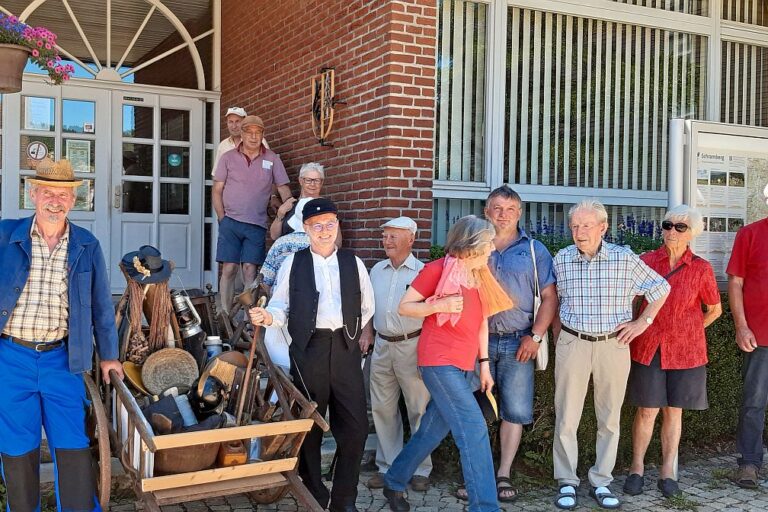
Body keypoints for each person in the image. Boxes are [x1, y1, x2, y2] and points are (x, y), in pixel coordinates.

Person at [0, 158, 123, 512]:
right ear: (33, 194)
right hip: (12, 357)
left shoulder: (86, 244)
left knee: (72, 445)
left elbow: (101, 305)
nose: (55, 201)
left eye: (63, 195)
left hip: (63, 358)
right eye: (48, 193)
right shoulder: (7, 236)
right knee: (17, 449)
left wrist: (110, 356)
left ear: (73, 200)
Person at [249, 198, 374, 512]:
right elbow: (280, 305)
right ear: (306, 229)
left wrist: (355, 332)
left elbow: (367, 305)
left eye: (330, 224)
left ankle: (345, 500)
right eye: (317, 226)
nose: (325, 231)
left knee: (356, 427)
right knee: (309, 427)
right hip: (309, 350)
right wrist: (268, 318)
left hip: (345, 351)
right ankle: (315, 494)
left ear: (337, 226)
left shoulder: (352, 262)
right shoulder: (294, 263)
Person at [381, 215, 514, 512]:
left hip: (465, 365)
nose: (492, 248)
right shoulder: (437, 270)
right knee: (473, 429)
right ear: (472, 244)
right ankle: (485, 507)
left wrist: (484, 364)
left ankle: (394, 481)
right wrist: (438, 305)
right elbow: (405, 307)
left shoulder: (480, 274)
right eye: (488, 243)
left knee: (431, 430)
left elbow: (481, 322)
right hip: (438, 361)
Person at [552, 199, 670, 510]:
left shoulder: (624, 259)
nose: (579, 232)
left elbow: (661, 288)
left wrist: (642, 322)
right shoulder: (561, 259)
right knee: (566, 417)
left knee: (609, 419)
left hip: (612, 345)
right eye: (575, 226)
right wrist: (558, 337)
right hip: (572, 342)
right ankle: (567, 481)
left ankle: (601, 481)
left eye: (587, 225)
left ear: (603, 228)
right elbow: (553, 302)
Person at [456, 186, 557, 502]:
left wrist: (536, 336)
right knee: (473, 411)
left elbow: (550, 298)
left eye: (510, 208)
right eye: (497, 208)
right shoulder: (472, 246)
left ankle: (503, 475)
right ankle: (476, 474)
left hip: (519, 343)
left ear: (520, 213)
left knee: (514, 411)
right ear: (486, 211)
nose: (503, 214)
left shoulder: (534, 251)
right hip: (475, 344)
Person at [623, 205, 721, 498]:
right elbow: (630, 300)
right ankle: (636, 469)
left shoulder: (701, 268)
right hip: (649, 346)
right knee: (646, 410)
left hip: (685, 351)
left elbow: (714, 309)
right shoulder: (646, 261)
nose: (672, 232)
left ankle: (668, 472)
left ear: (692, 233)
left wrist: (691, 331)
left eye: (680, 227)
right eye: (668, 225)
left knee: (674, 411)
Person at [366, 217, 432, 492]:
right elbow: (367, 306)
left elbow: (432, 316)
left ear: (411, 239)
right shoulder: (376, 271)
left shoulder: (424, 272)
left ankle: (420, 468)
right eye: (385, 236)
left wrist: (426, 353)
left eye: (394, 236)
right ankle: (387, 466)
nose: (387, 241)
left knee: (418, 409)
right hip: (381, 345)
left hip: (412, 346)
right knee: (383, 408)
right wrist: (367, 332)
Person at [213, 114, 291, 313]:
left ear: (262, 135)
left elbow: (283, 188)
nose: (254, 137)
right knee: (228, 269)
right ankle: (225, 314)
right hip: (230, 221)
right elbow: (217, 190)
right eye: (249, 132)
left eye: (258, 133)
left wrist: (290, 214)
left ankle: (250, 319)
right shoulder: (228, 157)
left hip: (256, 224)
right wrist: (222, 218)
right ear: (242, 133)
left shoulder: (272, 158)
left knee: (250, 270)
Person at [727, 184, 768, 489]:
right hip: (760, 336)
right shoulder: (750, 234)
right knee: (754, 403)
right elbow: (736, 282)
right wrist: (741, 326)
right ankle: (749, 463)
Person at [270, 162, 325, 240]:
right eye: (308, 180)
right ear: (301, 181)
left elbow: (337, 243)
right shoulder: (290, 204)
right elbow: (274, 236)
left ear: (321, 183)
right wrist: (281, 213)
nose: (312, 184)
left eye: (317, 180)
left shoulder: (325, 205)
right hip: (287, 250)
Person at [211, 106, 270, 177]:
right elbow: (216, 174)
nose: (234, 126)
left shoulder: (258, 140)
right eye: (231, 122)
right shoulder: (223, 145)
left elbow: (268, 167)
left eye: (237, 121)